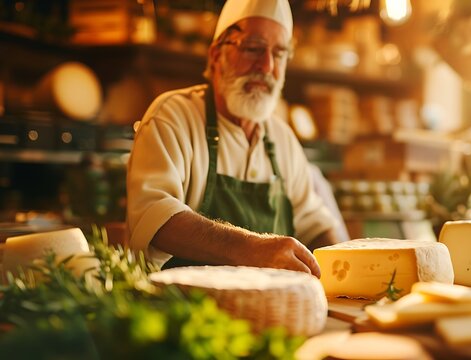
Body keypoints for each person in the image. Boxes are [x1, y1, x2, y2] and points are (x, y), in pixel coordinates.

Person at [126, 0, 341, 277]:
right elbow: (155, 217)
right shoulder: (173, 117)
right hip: (180, 307)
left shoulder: (283, 139)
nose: (266, 66)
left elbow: (316, 225)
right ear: (216, 55)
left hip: (271, 312)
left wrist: (344, 279)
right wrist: (254, 249)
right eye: (253, 48)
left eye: (279, 54)